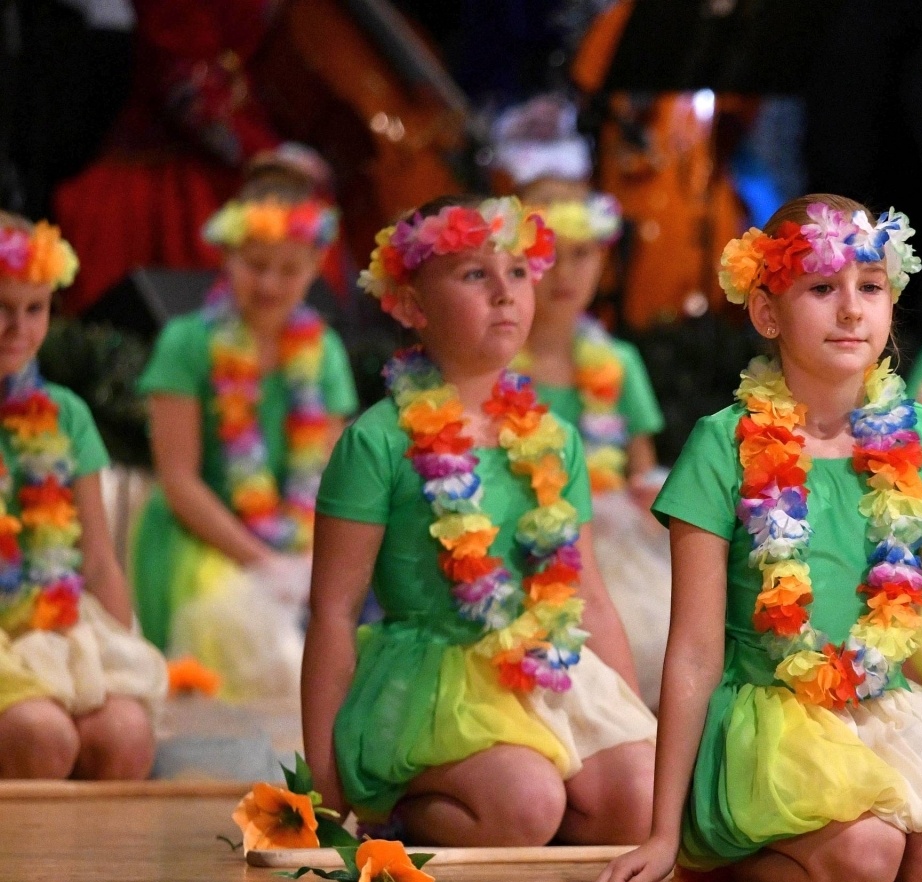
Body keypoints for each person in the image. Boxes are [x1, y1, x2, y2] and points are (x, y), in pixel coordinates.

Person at [596, 194, 922, 882]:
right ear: (767, 312)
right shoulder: (722, 444)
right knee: (866, 852)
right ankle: (724, 863)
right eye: (823, 287)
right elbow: (695, 651)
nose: (852, 310)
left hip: (884, 710)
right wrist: (663, 832)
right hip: (770, 723)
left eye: (871, 286)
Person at [303, 195, 655, 846]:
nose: (504, 292)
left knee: (640, 800)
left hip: (546, 666)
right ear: (412, 305)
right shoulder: (377, 441)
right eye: (474, 274)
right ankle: (402, 813)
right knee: (528, 802)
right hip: (435, 685)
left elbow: (591, 596)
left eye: (518, 272)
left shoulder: (555, 438)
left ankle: (529, 824)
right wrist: (325, 792)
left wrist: (634, 722)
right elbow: (333, 610)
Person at [133, 159, 356, 703]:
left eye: (289, 269)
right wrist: (264, 563)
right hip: (195, 540)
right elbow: (179, 481)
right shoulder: (187, 342)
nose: (270, 283)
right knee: (252, 639)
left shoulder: (324, 351)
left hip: (296, 542)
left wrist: (306, 563)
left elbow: (329, 481)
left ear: (316, 267)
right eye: (256, 265)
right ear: (227, 255)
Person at [0, 215, 167, 779]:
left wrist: (122, 660)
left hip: (52, 621)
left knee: (126, 736)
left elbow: (97, 560)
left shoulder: (65, 414)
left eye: (35, 309)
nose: (17, 329)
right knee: (40, 737)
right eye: (2, 308)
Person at [511, 178, 672, 707]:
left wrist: (650, 498)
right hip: (516, 546)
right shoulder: (493, 367)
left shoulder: (618, 362)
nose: (565, 273)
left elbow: (640, 469)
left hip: (609, 550)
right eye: (549, 256)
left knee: (649, 640)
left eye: (582, 255)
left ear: (602, 259)